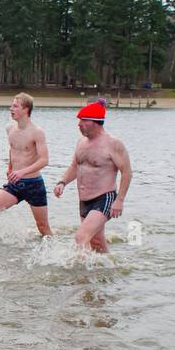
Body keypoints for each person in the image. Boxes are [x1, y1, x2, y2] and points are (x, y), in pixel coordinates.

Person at [52, 100, 132, 253]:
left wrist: (119, 200)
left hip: (104, 198)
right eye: (79, 121)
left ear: (95, 122)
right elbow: (75, 167)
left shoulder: (113, 144)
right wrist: (62, 182)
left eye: (83, 120)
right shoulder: (81, 142)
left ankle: (79, 275)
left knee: (81, 238)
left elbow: (127, 172)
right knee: (96, 243)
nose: (79, 124)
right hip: (84, 200)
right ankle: (110, 271)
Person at [0, 93, 51, 236]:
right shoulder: (10, 129)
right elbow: (13, 150)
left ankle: (52, 252)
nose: (10, 109)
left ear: (26, 109)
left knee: (43, 227)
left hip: (34, 184)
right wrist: (10, 168)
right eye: (11, 105)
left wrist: (22, 172)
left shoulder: (37, 132)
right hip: (15, 183)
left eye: (15, 106)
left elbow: (44, 160)